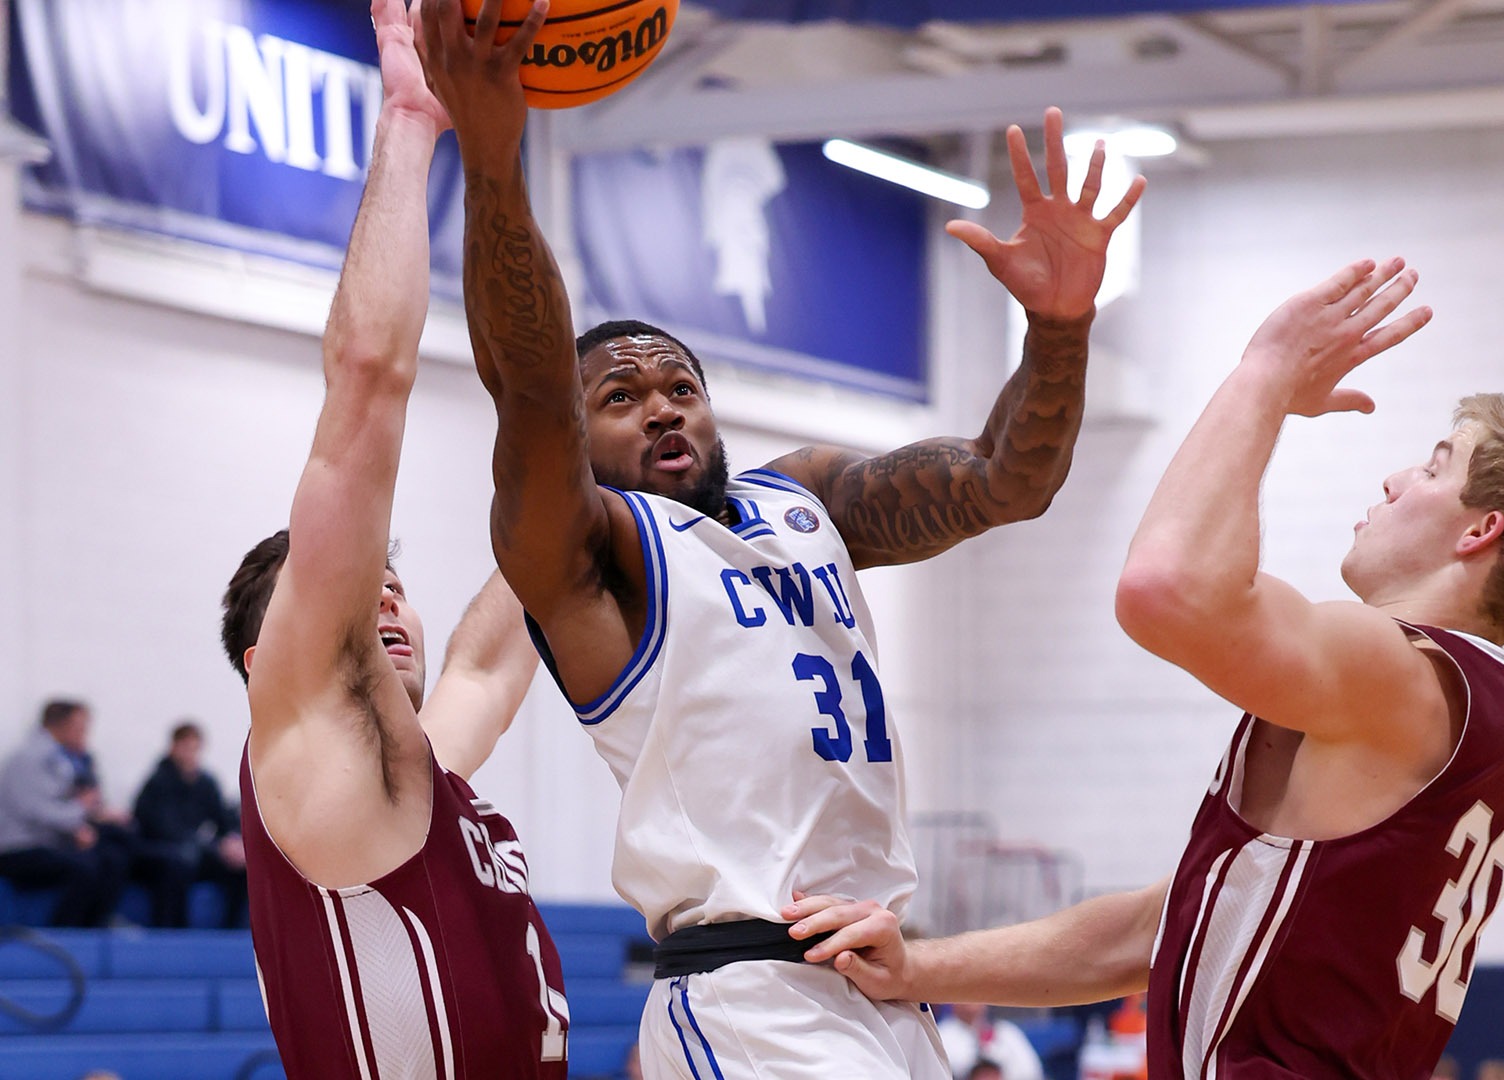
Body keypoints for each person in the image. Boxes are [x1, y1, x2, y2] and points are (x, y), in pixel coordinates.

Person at [416, 1, 1145, 1074]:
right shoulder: (592, 561)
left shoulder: (803, 497)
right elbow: (527, 390)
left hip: (883, 987)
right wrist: (492, 152)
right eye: (622, 396)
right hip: (747, 993)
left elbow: (1005, 482)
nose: (664, 407)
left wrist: (1061, 327)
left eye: (682, 386)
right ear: (578, 436)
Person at [789, 260, 1504, 1080]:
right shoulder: (1467, 708)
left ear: (1478, 531)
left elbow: (1168, 589)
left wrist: (1266, 375)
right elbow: (1153, 930)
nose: (1393, 479)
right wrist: (919, 969)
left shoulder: (1408, 675)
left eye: (1433, 465)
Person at [216, 2, 561, 1076]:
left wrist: (608, 465)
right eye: (354, 586)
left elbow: (500, 644)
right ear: (261, 664)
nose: (386, 598)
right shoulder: (312, 744)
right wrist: (411, 122)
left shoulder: (416, 776)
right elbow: (367, 389)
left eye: (396, 584)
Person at [0, 700, 132, 926]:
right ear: (59, 725)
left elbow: (71, 804)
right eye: (79, 726)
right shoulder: (27, 759)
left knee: (114, 855)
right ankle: (66, 932)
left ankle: (97, 925)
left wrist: (91, 816)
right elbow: (39, 811)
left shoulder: (69, 761)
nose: (85, 733)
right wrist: (81, 814)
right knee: (85, 867)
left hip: (53, 843)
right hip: (20, 849)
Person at [132, 721, 247, 928]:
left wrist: (231, 841)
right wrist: (204, 845)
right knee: (179, 863)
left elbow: (222, 819)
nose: (190, 754)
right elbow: (160, 827)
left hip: (193, 851)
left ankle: (232, 930)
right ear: (174, 747)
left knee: (239, 867)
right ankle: (173, 929)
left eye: (195, 748)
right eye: (186, 747)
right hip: (161, 852)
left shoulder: (205, 782)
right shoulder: (158, 782)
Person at [938, 1002, 1044, 1080]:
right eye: (963, 996)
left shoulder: (1007, 1031)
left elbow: (1032, 1072)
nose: (969, 1002)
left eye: (976, 995)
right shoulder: (942, 1034)